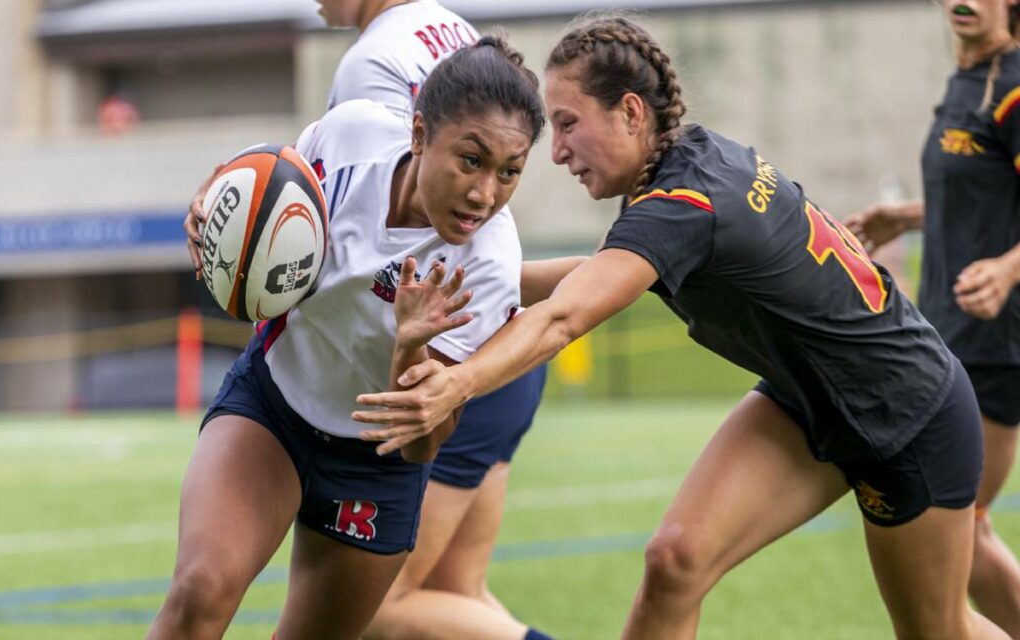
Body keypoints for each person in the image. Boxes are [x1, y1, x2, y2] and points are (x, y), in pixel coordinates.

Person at [352, 14, 1012, 639]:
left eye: (568, 124)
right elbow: (595, 275)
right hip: (810, 401)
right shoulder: (692, 165)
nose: (557, 154)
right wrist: (451, 268)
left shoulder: (681, 204)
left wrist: (456, 384)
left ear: (631, 111)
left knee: (938, 630)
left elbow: (561, 319)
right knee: (675, 562)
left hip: (910, 417)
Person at [184, 2, 568, 637]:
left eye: (509, 172)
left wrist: (410, 350)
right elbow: (267, 191)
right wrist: (212, 210)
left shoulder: (491, 262)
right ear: (418, 134)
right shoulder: (351, 132)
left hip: (374, 463)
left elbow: (421, 445)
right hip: (274, 402)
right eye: (471, 160)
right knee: (199, 593)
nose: (485, 194)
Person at [846, 0, 1020, 634]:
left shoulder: (1015, 85)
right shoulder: (968, 82)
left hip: (998, 340)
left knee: (959, 527)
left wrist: (1006, 270)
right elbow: (982, 188)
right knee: (967, 532)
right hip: (946, 330)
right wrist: (907, 217)